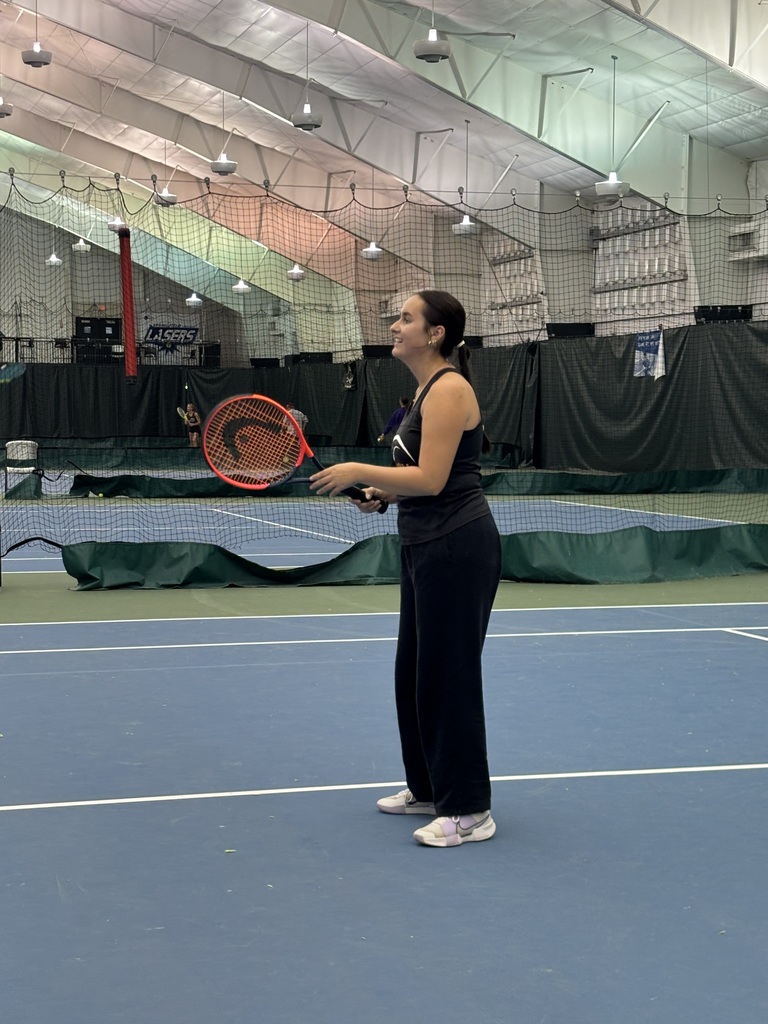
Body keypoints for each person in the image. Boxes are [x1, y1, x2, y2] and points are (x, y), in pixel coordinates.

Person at [310, 290, 501, 848]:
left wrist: (357, 470)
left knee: (449, 677)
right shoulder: (422, 392)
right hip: (422, 542)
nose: (395, 326)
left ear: (435, 333)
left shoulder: (450, 389)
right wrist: (383, 494)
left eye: (406, 318)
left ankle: (469, 810)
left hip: (457, 546)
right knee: (414, 672)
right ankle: (429, 788)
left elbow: (435, 479)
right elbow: (420, 478)